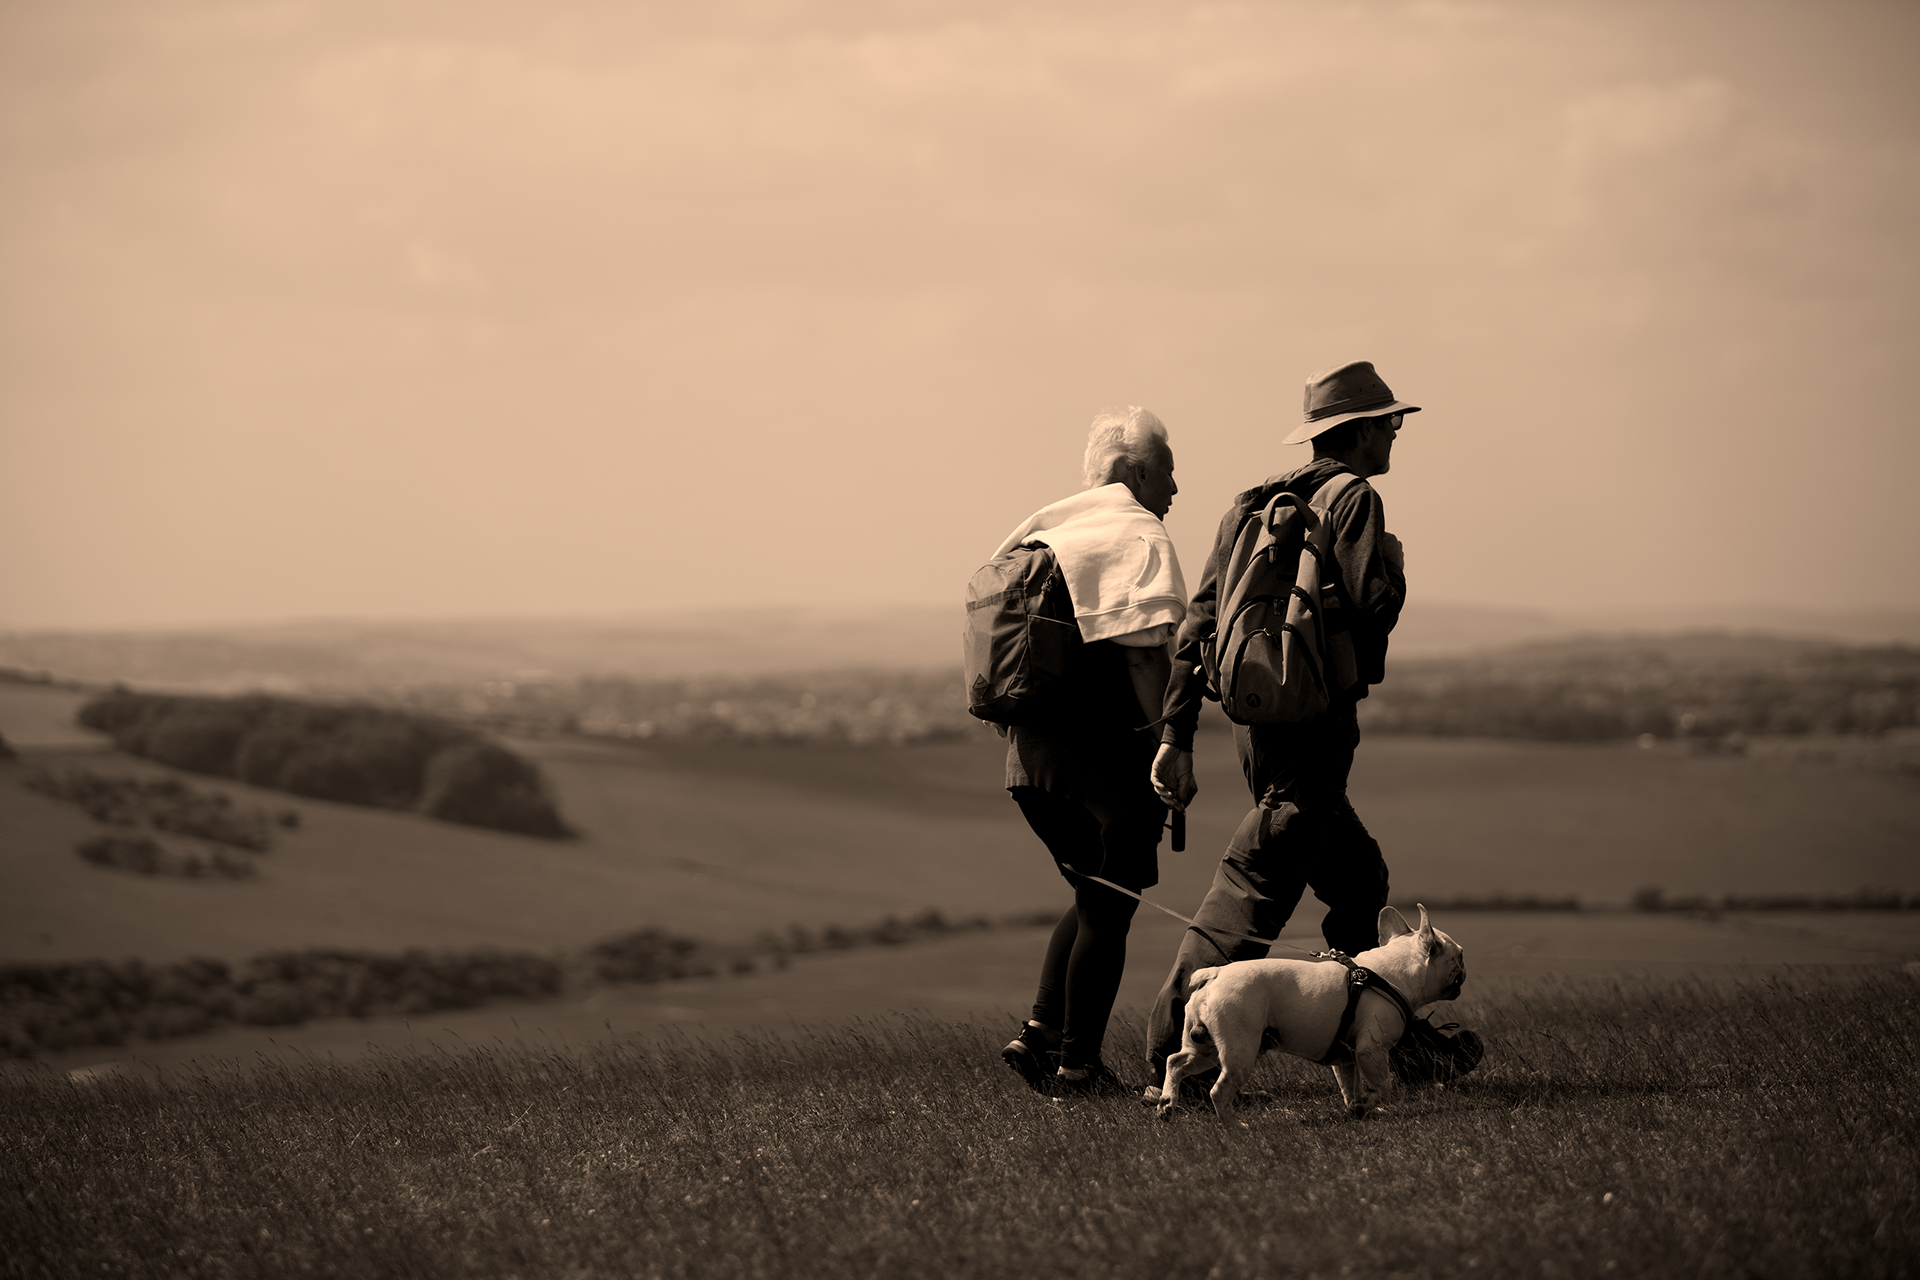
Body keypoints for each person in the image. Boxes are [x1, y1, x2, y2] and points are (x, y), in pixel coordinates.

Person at [1143, 359, 1481, 1094]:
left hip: (1255, 725)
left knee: (1360, 880)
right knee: (1256, 877)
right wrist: (1392, 566)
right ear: (1359, 433)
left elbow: (1199, 625)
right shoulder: (1354, 499)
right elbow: (1372, 604)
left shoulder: (1249, 505)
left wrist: (1175, 733)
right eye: (1389, 424)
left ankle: (1372, 1033)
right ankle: (1171, 1049)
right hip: (1319, 726)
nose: (1395, 436)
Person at [993, 406, 1187, 1097]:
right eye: (1168, 468)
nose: (1175, 486)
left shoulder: (1043, 527)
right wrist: (1172, 740)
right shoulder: (1133, 531)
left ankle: (1043, 1034)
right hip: (1104, 755)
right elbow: (1142, 660)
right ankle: (1078, 1067)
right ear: (1136, 470)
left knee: (1093, 894)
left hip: (1028, 757)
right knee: (1111, 906)